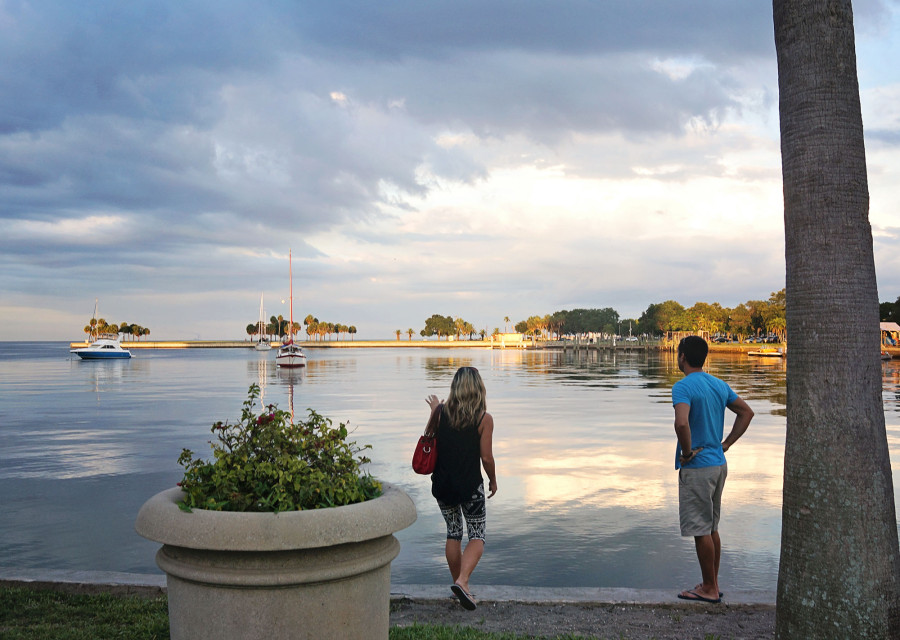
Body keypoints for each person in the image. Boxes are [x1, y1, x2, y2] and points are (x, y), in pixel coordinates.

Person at [671, 336, 754, 604]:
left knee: (701, 530)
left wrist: (686, 453)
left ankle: (708, 588)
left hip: (697, 468)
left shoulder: (683, 387)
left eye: (678, 353)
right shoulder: (718, 384)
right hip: (718, 464)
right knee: (711, 527)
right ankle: (713, 584)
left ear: (682, 356)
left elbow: (681, 424)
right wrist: (726, 444)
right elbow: (746, 413)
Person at [425, 366, 497, 611]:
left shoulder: (441, 413)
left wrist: (435, 409)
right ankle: (463, 581)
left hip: (443, 485)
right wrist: (493, 480)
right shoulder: (483, 419)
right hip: (470, 487)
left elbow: (428, 437)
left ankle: (459, 588)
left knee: (453, 533)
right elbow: (486, 458)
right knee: (477, 535)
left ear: (455, 388)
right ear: (478, 389)